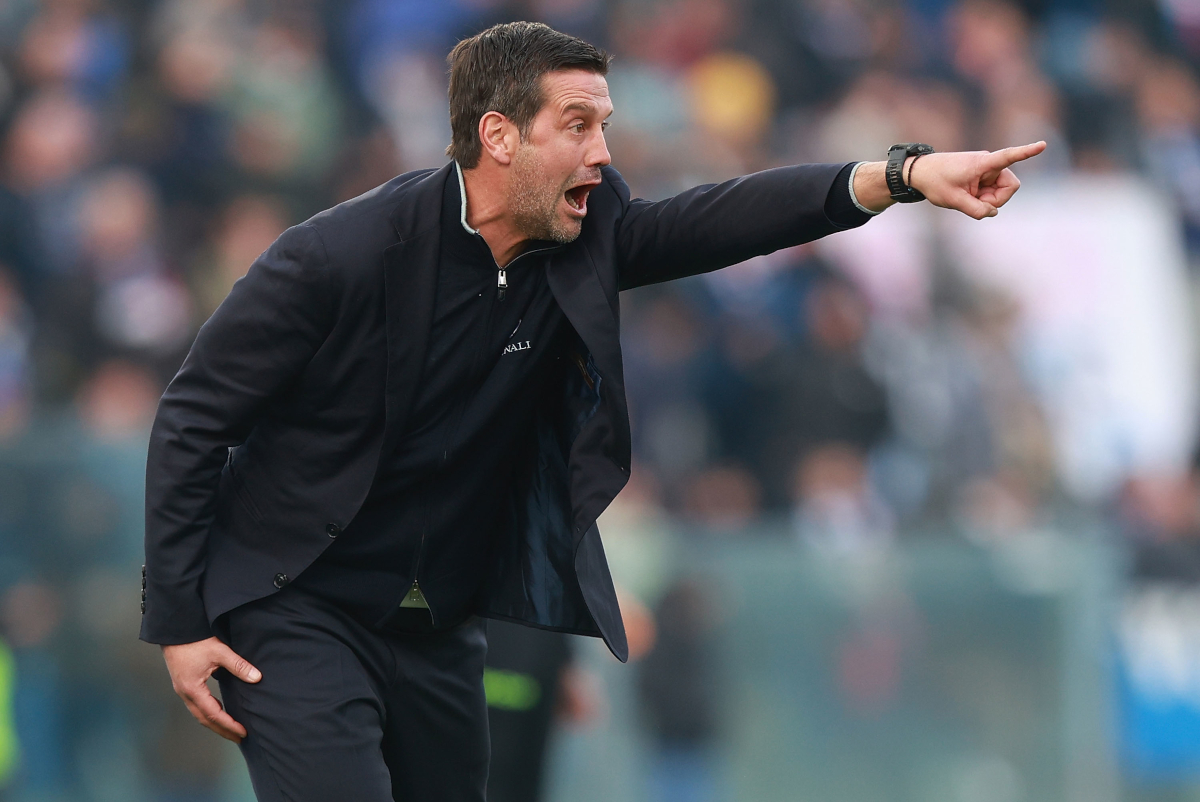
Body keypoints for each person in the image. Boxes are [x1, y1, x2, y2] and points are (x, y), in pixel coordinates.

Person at [138, 20, 1045, 802]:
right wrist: (180, 623)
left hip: (438, 626)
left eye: (604, 125)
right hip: (298, 603)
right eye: (577, 125)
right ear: (498, 135)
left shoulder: (586, 230)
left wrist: (900, 174)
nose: (603, 152)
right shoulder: (335, 256)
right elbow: (192, 419)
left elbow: (718, 219)